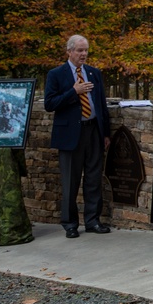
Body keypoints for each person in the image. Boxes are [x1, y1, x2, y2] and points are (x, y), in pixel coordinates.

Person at [44, 34, 112, 238]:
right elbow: (50, 104)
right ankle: (70, 224)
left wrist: (105, 133)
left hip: (93, 132)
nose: (84, 54)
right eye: (80, 50)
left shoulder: (94, 73)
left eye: (86, 51)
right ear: (70, 51)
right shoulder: (56, 74)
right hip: (70, 134)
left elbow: (101, 104)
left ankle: (93, 221)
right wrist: (74, 91)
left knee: (93, 179)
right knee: (70, 181)